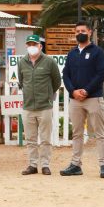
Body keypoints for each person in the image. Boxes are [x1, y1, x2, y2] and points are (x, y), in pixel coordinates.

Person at [61, 20, 104, 178]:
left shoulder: (98, 52)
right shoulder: (72, 53)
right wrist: (73, 91)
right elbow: (66, 74)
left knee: (99, 133)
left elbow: (101, 73)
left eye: (82, 30)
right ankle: (76, 164)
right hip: (75, 99)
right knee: (77, 133)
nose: (79, 33)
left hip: (93, 97)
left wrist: (87, 90)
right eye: (76, 31)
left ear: (89, 32)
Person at [17, 34, 62, 176]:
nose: (32, 47)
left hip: (45, 107)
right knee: (30, 139)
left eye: (34, 44)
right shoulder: (22, 62)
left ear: (40, 46)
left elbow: (56, 81)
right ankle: (32, 165)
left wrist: (48, 95)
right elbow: (21, 80)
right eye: (29, 44)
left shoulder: (49, 61)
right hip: (28, 106)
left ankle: (45, 165)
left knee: (45, 139)